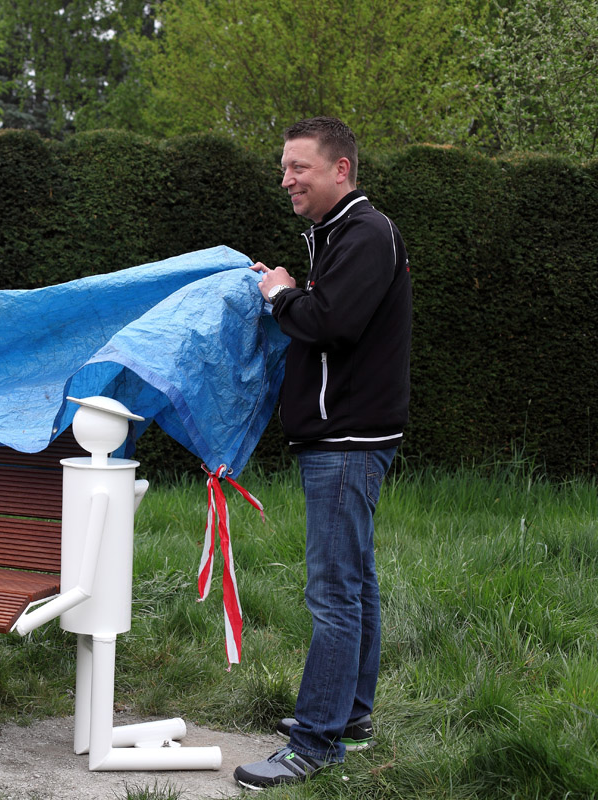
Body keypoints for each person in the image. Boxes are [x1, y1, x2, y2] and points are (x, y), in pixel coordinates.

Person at [234, 117, 411, 790]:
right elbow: (329, 312)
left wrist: (281, 294)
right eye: (284, 167)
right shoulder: (342, 236)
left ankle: (315, 744)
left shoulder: (365, 234)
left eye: (299, 167)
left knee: (332, 593)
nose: (286, 180)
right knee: (356, 585)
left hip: (347, 441)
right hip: (347, 437)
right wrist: (284, 286)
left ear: (342, 170)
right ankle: (350, 719)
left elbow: (332, 324)